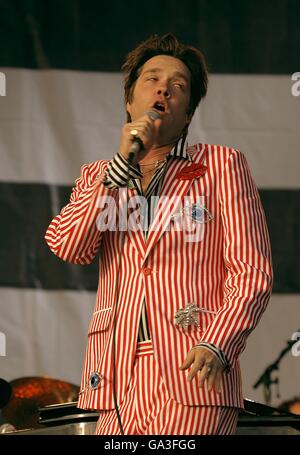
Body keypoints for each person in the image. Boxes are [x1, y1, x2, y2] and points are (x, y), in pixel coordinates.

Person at [45, 33, 273, 435]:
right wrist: (115, 173)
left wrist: (217, 343)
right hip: (114, 375)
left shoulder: (222, 165)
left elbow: (252, 270)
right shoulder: (99, 175)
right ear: (130, 101)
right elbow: (68, 246)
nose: (164, 87)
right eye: (151, 78)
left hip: (193, 369)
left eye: (178, 85)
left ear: (187, 115)